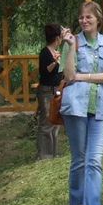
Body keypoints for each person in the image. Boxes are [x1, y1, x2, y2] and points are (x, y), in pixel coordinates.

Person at [59, 1, 103, 205]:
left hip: (101, 107)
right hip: (76, 107)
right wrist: (70, 46)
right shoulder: (71, 42)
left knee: (94, 160)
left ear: (98, 19)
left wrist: (82, 77)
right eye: (81, 17)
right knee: (79, 159)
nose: (84, 21)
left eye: (88, 17)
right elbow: (68, 75)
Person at [35, 22, 63, 160]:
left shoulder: (57, 52)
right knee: (46, 122)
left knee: (55, 122)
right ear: (57, 38)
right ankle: (45, 155)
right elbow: (45, 72)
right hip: (46, 91)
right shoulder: (45, 52)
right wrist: (55, 62)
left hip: (57, 90)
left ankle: (53, 152)